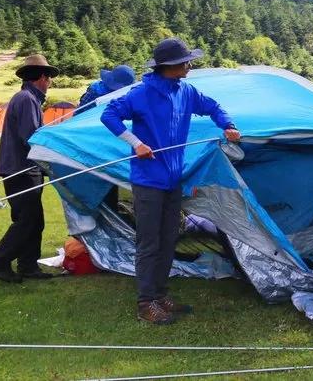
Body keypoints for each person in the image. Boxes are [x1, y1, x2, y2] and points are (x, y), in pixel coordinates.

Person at [101, 37, 241, 325]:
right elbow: (109, 114)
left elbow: (213, 107)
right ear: (171, 66)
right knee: (149, 242)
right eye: (186, 61)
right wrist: (135, 142)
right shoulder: (141, 94)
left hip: (173, 179)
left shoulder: (186, 91)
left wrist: (228, 125)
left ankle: (160, 294)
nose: (190, 65)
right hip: (148, 181)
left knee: (168, 239)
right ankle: (145, 302)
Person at [0, 54, 60, 283]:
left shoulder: (26, 98)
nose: (49, 83)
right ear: (41, 77)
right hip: (22, 170)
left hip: (23, 168)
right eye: (48, 78)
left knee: (34, 219)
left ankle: (28, 266)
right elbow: (31, 137)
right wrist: (52, 162)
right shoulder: (27, 99)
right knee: (27, 220)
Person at [77, 64, 136, 212]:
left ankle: (110, 218)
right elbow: (79, 119)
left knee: (108, 183)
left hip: (104, 145)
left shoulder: (101, 92)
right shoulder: (95, 93)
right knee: (99, 185)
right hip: (94, 145)